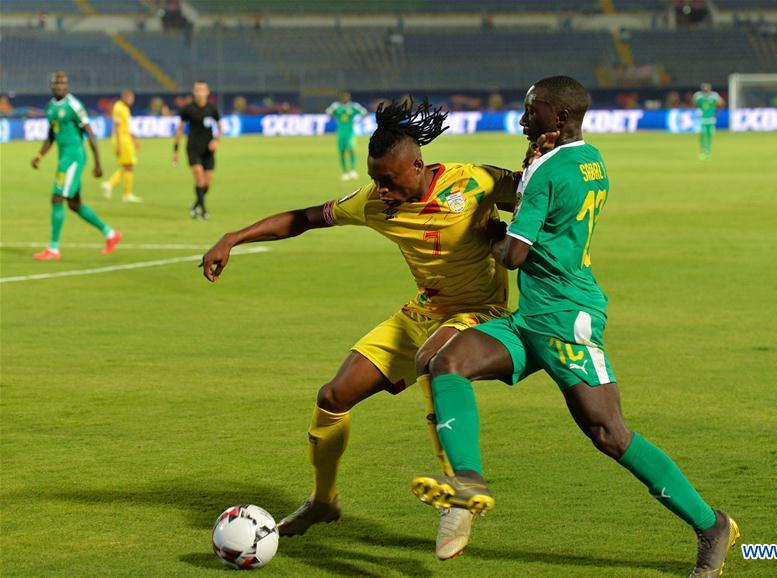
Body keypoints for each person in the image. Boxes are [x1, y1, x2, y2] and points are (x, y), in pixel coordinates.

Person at [411, 76, 740, 578]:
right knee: (446, 362)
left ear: (558, 117)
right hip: (533, 317)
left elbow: (515, 256)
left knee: (610, 434)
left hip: (566, 320)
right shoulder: (592, 159)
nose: (524, 120)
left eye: (532, 112)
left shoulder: (546, 172)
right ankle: (469, 483)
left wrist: (489, 230)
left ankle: (712, 525)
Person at [200, 99, 519, 560]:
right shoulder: (375, 203)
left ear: (417, 165)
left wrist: (505, 240)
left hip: (478, 313)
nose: (381, 189)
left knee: (435, 363)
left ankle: (458, 495)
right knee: (332, 397)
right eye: (375, 179)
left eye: (388, 179)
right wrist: (233, 238)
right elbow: (303, 219)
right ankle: (323, 501)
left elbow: (538, 197)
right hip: (422, 313)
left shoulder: (475, 181)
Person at [31, 71, 122, 261]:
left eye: (63, 84)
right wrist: (40, 155)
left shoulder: (74, 105)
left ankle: (53, 249)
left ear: (68, 86)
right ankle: (110, 234)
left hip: (74, 158)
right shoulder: (50, 108)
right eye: (56, 84)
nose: (60, 87)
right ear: (51, 86)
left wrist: (98, 163)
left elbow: (90, 132)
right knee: (74, 203)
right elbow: (51, 135)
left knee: (57, 198)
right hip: (63, 158)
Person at [173, 81, 222, 219]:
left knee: (207, 183)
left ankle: (195, 206)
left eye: (203, 89)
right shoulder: (188, 109)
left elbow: (220, 127)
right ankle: (203, 210)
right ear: (194, 92)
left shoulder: (212, 109)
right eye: (197, 90)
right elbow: (180, 129)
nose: (200, 92)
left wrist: (216, 140)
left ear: (207, 92)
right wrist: (175, 150)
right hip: (193, 148)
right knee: (199, 176)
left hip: (208, 150)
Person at [102, 89, 141, 203]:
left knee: (128, 166)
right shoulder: (119, 108)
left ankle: (119, 189)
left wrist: (134, 140)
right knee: (128, 165)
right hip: (122, 141)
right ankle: (116, 188)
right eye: (129, 98)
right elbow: (117, 128)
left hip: (126, 139)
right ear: (124, 97)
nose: (131, 100)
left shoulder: (125, 108)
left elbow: (126, 127)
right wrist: (118, 144)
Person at [325, 92, 368, 181]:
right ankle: (345, 172)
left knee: (351, 150)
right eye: (344, 97)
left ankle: (352, 170)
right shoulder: (336, 106)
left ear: (349, 98)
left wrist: (357, 120)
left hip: (350, 133)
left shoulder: (353, 106)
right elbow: (328, 112)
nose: (345, 98)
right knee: (342, 152)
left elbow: (364, 112)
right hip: (340, 133)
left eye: (347, 97)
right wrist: (335, 118)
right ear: (341, 98)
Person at [691, 83, 724, 160]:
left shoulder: (714, 95)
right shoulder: (698, 95)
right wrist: (697, 111)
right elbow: (694, 104)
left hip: (711, 120)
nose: (705, 89)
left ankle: (708, 152)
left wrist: (717, 112)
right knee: (703, 134)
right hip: (702, 119)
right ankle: (703, 151)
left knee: (710, 136)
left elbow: (721, 103)